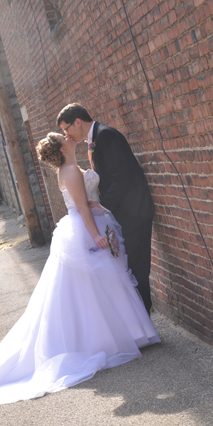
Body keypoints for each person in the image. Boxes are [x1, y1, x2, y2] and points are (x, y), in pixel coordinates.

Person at [0, 133, 159, 415]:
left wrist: (100, 208)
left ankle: (129, 334)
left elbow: (89, 200)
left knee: (107, 282)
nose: (69, 136)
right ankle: (110, 340)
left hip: (96, 220)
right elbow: (80, 205)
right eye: (64, 136)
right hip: (86, 229)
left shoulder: (74, 165)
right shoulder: (70, 170)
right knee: (96, 285)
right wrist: (96, 234)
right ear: (62, 147)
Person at [57, 103, 155, 314]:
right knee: (129, 267)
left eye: (66, 129)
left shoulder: (107, 136)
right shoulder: (95, 138)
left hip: (134, 213)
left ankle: (144, 318)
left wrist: (102, 204)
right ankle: (140, 317)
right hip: (124, 214)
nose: (67, 134)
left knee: (137, 267)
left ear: (78, 122)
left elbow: (122, 178)